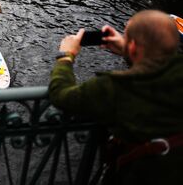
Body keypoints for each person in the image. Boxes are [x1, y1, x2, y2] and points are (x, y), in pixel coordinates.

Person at [49, 10, 183, 184]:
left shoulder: (115, 86)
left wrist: (66, 56)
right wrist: (128, 50)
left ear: (133, 47)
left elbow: (61, 95)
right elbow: (154, 63)